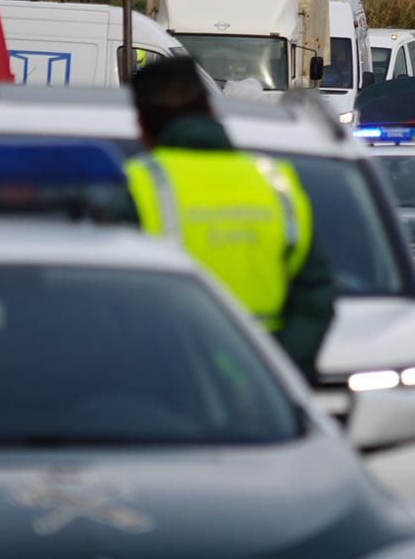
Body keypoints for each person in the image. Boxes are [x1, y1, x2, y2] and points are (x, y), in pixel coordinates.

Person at [126, 56, 336, 380]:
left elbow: (108, 307)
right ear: (212, 111)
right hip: (265, 395)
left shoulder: (136, 187)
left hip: (167, 387)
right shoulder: (276, 183)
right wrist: (278, 374)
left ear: (141, 127)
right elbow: (316, 295)